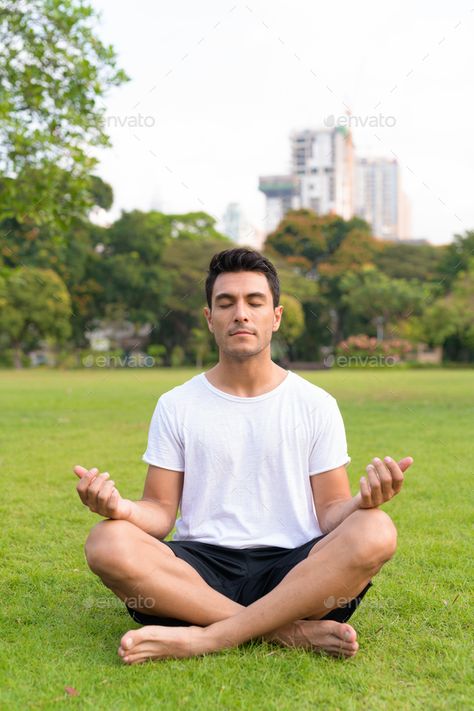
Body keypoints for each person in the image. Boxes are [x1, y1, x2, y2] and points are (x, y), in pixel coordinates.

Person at [74, 247, 413, 665]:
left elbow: (328, 514)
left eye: (255, 302)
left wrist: (364, 503)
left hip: (296, 572)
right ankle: (286, 632)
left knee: (376, 529)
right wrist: (119, 507)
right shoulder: (177, 404)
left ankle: (204, 638)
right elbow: (160, 514)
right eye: (226, 303)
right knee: (106, 541)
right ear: (209, 318)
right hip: (199, 574)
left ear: (276, 316)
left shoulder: (315, 403)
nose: (241, 314)